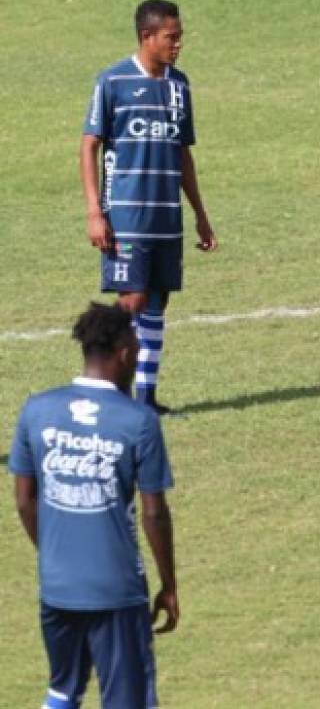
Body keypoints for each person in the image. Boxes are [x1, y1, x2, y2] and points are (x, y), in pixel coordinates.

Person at [9, 302, 178, 709]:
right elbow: (154, 512)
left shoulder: (37, 409)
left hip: (58, 588)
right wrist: (169, 584)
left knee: (63, 689)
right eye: (136, 350)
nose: (138, 358)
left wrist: (54, 552)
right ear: (122, 353)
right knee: (126, 700)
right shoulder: (137, 421)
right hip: (115, 590)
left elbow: (24, 499)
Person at [81, 0, 218, 413]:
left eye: (180, 37)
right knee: (132, 300)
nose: (178, 45)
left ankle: (147, 397)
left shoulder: (180, 86)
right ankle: (110, 393)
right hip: (127, 214)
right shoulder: (113, 82)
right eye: (171, 38)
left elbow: (182, 154)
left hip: (166, 216)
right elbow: (89, 147)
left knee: (157, 301)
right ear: (147, 36)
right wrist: (94, 211)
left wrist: (200, 215)